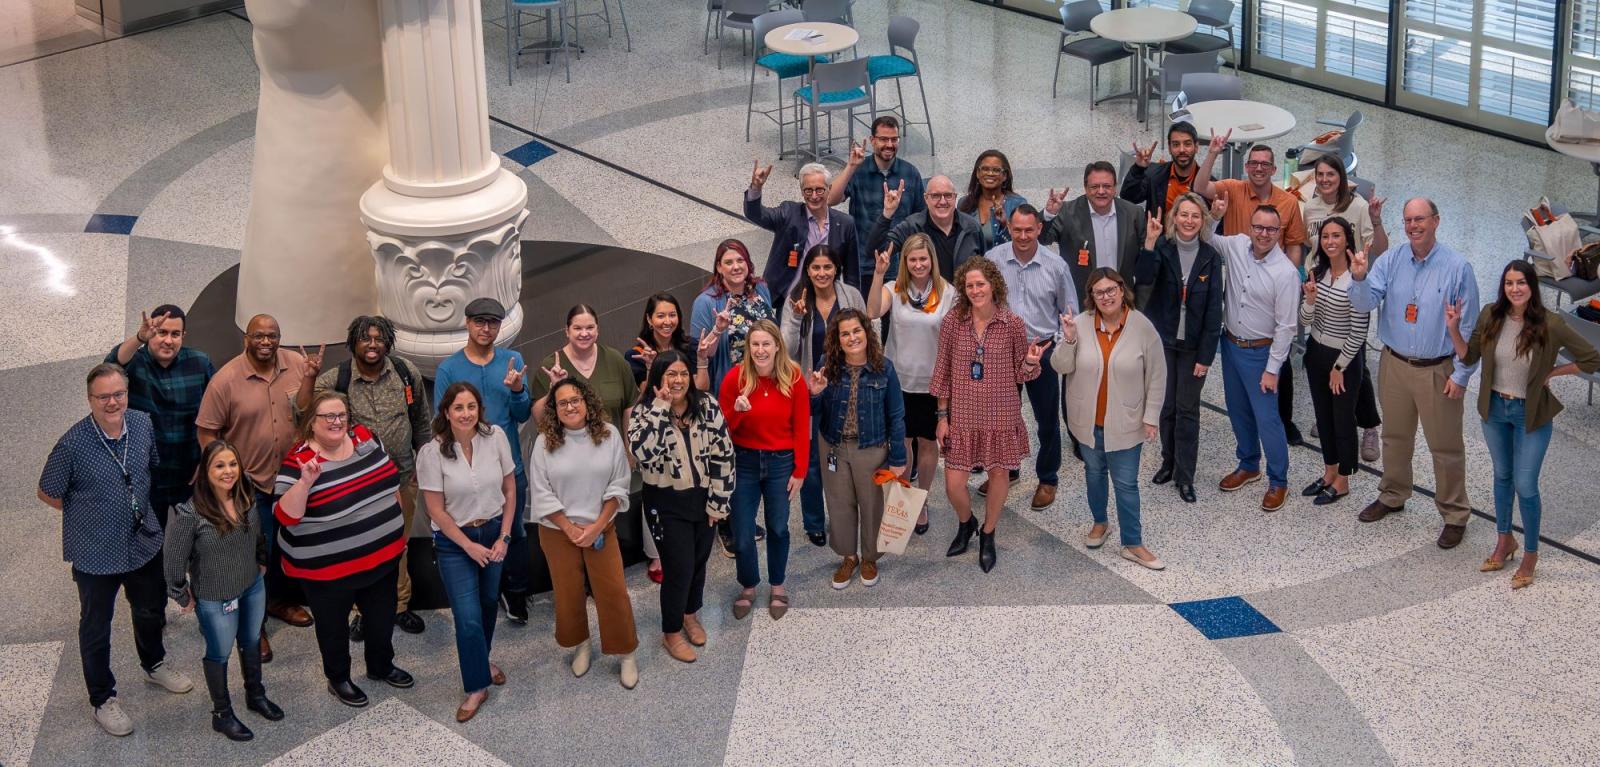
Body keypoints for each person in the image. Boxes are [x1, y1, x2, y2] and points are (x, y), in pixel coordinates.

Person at [39, 363, 194, 737]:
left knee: (149, 609)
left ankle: (154, 664)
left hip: (142, 540)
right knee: (96, 626)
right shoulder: (72, 444)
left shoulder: (141, 424)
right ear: (90, 399)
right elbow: (47, 491)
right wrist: (87, 514)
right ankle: (102, 699)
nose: (112, 402)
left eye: (118, 394)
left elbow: (148, 468)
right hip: (95, 551)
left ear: (127, 393)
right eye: (103, 397)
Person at [1447, 260, 1600, 588]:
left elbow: (1592, 357)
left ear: (1532, 286)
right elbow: (1468, 357)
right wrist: (1453, 329)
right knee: (1502, 477)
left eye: (1521, 283)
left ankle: (1530, 553)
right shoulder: (1491, 315)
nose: (1514, 289)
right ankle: (1505, 542)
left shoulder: (1550, 324)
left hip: (1529, 414)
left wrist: (1554, 373)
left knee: (1525, 484)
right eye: (1508, 283)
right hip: (1495, 410)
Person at [1348, 198, 1481, 548]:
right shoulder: (1390, 261)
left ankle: (1454, 513)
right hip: (1394, 364)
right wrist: (1359, 279)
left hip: (1438, 370)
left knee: (1445, 446)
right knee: (1395, 437)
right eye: (1408, 220)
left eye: (1420, 219)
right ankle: (1393, 494)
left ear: (1436, 221)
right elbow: (1363, 304)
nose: (1413, 226)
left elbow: (1469, 329)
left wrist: (1462, 375)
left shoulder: (1457, 268)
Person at [274, 392, 413, 708]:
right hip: (327, 573)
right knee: (333, 629)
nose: (337, 422)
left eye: (342, 415)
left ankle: (380, 666)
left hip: (382, 560)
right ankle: (338, 679)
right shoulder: (299, 461)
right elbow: (285, 516)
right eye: (328, 417)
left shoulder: (365, 438)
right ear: (312, 423)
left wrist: (396, 536)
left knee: (380, 620)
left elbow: (391, 486)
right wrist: (306, 482)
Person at [196, 314, 319, 654]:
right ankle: (253, 627)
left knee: (283, 548)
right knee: (253, 556)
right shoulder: (225, 380)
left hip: (293, 480)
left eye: (272, 336)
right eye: (259, 335)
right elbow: (207, 431)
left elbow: (308, 409)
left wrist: (311, 379)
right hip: (252, 485)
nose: (266, 342)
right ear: (246, 338)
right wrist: (222, 473)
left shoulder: (296, 364)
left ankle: (277, 602)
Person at [313, 316, 430, 640]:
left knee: (399, 547)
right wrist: (309, 378)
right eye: (366, 339)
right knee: (359, 548)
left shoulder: (405, 373)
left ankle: (400, 607)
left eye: (379, 338)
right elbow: (306, 410)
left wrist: (426, 461)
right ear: (354, 342)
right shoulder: (339, 379)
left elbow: (421, 420)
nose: (373, 344)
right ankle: (362, 612)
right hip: (358, 486)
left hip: (403, 477)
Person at [932, 257, 1049, 573]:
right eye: (969, 285)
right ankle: (966, 522)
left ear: (993, 285)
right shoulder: (953, 322)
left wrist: (1030, 360)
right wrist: (942, 417)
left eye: (979, 284)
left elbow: (1020, 374)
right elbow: (943, 371)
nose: (974, 290)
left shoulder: (1012, 323)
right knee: (954, 485)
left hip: (1001, 416)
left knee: (999, 475)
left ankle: (987, 533)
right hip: (963, 418)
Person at [163, 440, 283, 741]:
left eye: (232, 464)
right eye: (219, 465)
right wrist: (181, 594)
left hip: (252, 586)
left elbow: (258, 533)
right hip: (216, 597)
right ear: (205, 471)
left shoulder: (246, 497)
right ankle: (222, 713)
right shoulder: (189, 514)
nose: (228, 471)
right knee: (219, 652)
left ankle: (255, 695)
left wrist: (261, 560)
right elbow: (173, 562)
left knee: (252, 639)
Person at [1195, 136, 1311, 443]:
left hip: (1273, 283)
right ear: (1246, 167)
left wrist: (1289, 279)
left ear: (1274, 169)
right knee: (1240, 384)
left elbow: (1296, 245)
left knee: (1278, 361)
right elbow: (1200, 188)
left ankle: (1283, 425)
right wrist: (1212, 154)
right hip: (1236, 275)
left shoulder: (1287, 202)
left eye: (1264, 164)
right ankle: (1248, 454)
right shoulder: (1232, 188)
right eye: (1253, 163)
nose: (1258, 168)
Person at [529, 379, 640, 689]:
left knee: (613, 591)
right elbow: (541, 491)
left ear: (588, 401)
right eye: (563, 402)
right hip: (556, 531)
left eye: (576, 399)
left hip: (601, 527)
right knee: (568, 594)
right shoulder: (544, 442)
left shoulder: (609, 435)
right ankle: (581, 644)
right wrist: (570, 528)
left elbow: (619, 483)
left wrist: (595, 528)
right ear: (554, 409)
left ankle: (626, 652)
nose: (571, 406)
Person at [415, 382, 516, 722]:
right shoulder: (432, 453)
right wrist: (468, 545)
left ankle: (481, 659)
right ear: (446, 412)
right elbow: (436, 511)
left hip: (493, 533)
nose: (466, 413)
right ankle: (476, 686)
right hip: (454, 543)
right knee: (467, 616)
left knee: (488, 604)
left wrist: (503, 537)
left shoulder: (495, 437)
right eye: (458, 407)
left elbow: (510, 487)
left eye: (471, 406)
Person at [1052, 268, 1167, 569]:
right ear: (1091, 296)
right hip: (1087, 421)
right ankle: (1100, 522)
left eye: (1110, 290)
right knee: (1094, 473)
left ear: (1121, 289)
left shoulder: (1143, 328)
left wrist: (1151, 416)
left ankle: (1133, 542)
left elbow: (1157, 375)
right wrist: (1069, 341)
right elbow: (1060, 367)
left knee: (1126, 483)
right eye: (1098, 292)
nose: (1105, 297)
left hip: (1127, 422)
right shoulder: (1079, 324)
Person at [628, 352, 736, 663]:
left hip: (703, 498)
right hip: (665, 502)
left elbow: (724, 454)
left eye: (683, 374)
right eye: (670, 375)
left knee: (700, 561)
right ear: (658, 379)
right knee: (679, 568)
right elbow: (644, 455)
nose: (677, 381)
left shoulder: (706, 405)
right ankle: (671, 632)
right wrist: (661, 408)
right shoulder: (643, 413)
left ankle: (691, 614)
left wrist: (719, 501)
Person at [433, 297, 534, 624]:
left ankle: (516, 593)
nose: (486, 328)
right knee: (476, 533)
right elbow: (440, 421)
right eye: (479, 321)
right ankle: (483, 593)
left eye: (492, 322)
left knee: (514, 532)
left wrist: (518, 390)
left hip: (508, 470)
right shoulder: (449, 369)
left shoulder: (512, 360)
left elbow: (521, 415)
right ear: (467, 323)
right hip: (465, 474)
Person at [985, 204, 1077, 511]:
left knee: (1046, 419)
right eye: (1017, 230)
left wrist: (1060, 351)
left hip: (1043, 350)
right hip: (1003, 349)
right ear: (1008, 228)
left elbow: (1068, 311)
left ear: (1039, 228)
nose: (1023, 236)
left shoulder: (1056, 266)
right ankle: (1008, 471)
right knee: (1004, 418)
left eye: (1029, 229)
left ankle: (1048, 477)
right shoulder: (994, 260)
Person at [807, 309, 908, 588]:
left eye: (857, 331)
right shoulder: (826, 365)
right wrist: (814, 393)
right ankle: (849, 556)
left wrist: (898, 458)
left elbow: (896, 415)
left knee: (873, 505)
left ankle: (870, 557)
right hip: (834, 446)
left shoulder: (883, 367)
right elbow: (814, 411)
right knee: (839, 505)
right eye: (845, 333)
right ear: (837, 339)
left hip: (872, 449)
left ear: (867, 332)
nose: (852, 338)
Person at [1134, 192, 1223, 504]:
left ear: (1202, 221)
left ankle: (1185, 476)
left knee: (1187, 410)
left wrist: (1206, 357)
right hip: (1164, 343)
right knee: (1166, 407)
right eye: (1183, 215)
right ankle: (1168, 463)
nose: (1188, 221)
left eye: (1195, 215)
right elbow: (1143, 279)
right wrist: (1149, 242)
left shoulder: (1211, 257)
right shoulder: (1162, 248)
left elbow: (1215, 311)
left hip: (1193, 347)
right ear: (1174, 219)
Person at [689, 239, 775, 556]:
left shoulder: (760, 291)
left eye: (740, 260)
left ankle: (744, 516)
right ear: (718, 268)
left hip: (763, 389)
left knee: (752, 456)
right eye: (729, 262)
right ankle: (726, 524)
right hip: (730, 391)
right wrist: (717, 329)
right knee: (728, 459)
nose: (736, 266)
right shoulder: (706, 302)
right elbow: (702, 352)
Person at [1299, 154, 1387, 463]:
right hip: (1322, 281)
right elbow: (1311, 245)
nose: (1324, 179)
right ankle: (1333, 411)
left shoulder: (1359, 206)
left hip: (1352, 287)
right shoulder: (1310, 207)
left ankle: (1370, 425)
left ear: (1342, 176)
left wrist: (1376, 220)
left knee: (1355, 362)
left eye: (1330, 174)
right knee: (1322, 349)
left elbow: (1379, 248)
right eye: (1319, 174)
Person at [718, 320, 809, 619]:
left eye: (765, 344)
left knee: (778, 527)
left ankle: (778, 584)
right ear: (748, 348)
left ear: (777, 347)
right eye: (754, 344)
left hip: (781, 463)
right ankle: (748, 584)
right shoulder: (735, 379)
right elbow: (722, 430)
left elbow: (800, 426)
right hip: (743, 462)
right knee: (742, 532)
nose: (760, 350)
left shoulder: (793, 378)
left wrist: (800, 471)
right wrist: (739, 413)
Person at [1212, 204, 1300, 512]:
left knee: (1267, 420)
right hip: (1231, 346)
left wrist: (1272, 368)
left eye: (1271, 229)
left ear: (1279, 233)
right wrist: (1215, 215)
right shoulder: (1236, 245)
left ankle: (1278, 481)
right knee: (1237, 411)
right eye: (1258, 227)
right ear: (1250, 227)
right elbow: (1208, 237)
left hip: (1261, 353)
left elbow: (1287, 327)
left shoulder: (1286, 273)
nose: (1263, 234)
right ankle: (1249, 464)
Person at [865, 233, 955, 531]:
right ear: (905, 262)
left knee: (929, 445)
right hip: (898, 382)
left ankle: (922, 499)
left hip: (931, 383)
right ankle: (903, 501)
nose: (918, 264)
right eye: (912, 259)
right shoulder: (895, 288)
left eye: (923, 259)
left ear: (932, 261)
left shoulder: (947, 292)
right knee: (902, 443)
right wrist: (879, 274)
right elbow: (872, 311)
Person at [782, 244, 868, 546]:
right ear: (807, 270)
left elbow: (866, 336)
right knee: (811, 460)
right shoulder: (797, 299)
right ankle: (814, 522)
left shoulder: (851, 296)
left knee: (845, 455)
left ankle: (845, 515)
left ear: (836, 269)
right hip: (810, 391)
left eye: (827, 267)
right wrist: (794, 318)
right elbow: (786, 348)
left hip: (849, 387)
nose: (821, 273)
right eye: (815, 268)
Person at [108, 304, 214, 525]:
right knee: (148, 537)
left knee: (190, 535)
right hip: (147, 474)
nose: (168, 340)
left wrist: (208, 458)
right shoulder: (135, 363)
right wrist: (139, 337)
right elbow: (111, 365)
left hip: (189, 473)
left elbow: (217, 412)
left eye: (175, 334)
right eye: (161, 332)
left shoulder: (199, 363)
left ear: (183, 336)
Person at [1298, 217, 1372, 506]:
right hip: (1316, 352)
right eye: (1326, 236)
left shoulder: (1356, 280)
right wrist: (1310, 301)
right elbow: (1303, 321)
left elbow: (1359, 331)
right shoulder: (1318, 272)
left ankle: (1344, 479)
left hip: (1344, 360)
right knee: (1323, 416)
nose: (1330, 241)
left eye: (1336, 236)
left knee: (1343, 420)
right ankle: (1329, 471)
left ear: (1346, 240)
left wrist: (1339, 367)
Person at [744, 161, 861, 307]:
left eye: (819, 190)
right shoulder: (788, 213)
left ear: (829, 189)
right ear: (801, 191)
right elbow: (756, 214)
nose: (814, 196)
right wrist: (756, 187)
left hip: (826, 304)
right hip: (789, 302)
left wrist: (854, 308)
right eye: (808, 190)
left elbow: (852, 275)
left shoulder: (845, 224)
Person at [826, 115, 926, 282]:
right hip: (862, 262)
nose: (889, 145)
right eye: (883, 139)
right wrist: (850, 167)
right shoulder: (859, 170)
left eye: (894, 139)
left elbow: (920, 219)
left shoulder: (911, 173)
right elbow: (830, 199)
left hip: (900, 265)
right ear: (872, 140)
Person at [1041, 161, 1146, 306]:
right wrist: (1049, 214)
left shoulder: (1134, 213)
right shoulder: (1067, 212)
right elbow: (1043, 239)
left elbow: (1145, 260)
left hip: (1122, 302)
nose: (1101, 191)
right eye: (1095, 186)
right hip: (1082, 301)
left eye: (1107, 186)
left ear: (1115, 187)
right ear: (1085, 188)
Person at [867, 174, 984, 281]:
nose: (942, 201)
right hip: (924, 302)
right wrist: (887, 214)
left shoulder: (972, 227)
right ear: (926, 198)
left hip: (964, 301)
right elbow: (876, 252)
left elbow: (984, 269)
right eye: (935, 196)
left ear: (955, 197)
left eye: (948, 195)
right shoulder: (912, 226)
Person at [626, 292, 709, 393]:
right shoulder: (638, 355)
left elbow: (701, 389)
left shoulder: (690, 346)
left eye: (672, 315)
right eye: (661, 316)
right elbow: (647, 395)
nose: (668, 321)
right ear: (649, 319)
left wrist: (701, 359)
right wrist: (650, 367)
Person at [1120, 122, 1202, 220]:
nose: (1181, 150)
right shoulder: (1155, 174)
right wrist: (1138, 168)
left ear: (1196, 147)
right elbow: (1128, 197)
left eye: (1187, 144)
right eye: (1176, 144)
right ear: (1169, 148)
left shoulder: (1207, 184)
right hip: (1158, 234)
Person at [957, 150, 1028, 252]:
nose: (990, 173)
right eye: (985, 169)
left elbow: (1024, 243)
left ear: (1004, 176)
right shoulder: (964, 203)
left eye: (996, 170)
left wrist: (1004, 224)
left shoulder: (1017, 204)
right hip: (972, 267)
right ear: (977, 173)